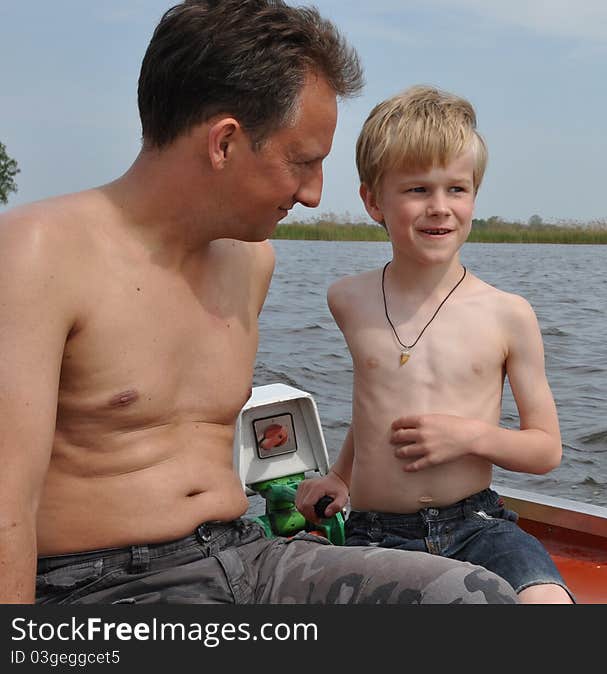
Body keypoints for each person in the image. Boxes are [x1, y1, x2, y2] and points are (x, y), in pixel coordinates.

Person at [0, 1, 518, 605]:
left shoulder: (251, 261)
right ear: (224, 142)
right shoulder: (37, 253)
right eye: (302, 163)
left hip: (244, 555)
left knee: (477, 599)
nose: (315, 195)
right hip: (99, 587)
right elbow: (7, 500)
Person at [295, 85, 574, 603]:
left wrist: (467, 437)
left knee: (547, 602)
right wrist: (339, 475)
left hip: (479, 526)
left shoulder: (507, 314)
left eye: (457, 189)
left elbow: (546, 449)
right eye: (418, 190)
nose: (440, 208)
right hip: (378, 534)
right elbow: (375, 401)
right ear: (373, 200)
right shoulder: (347, 300)